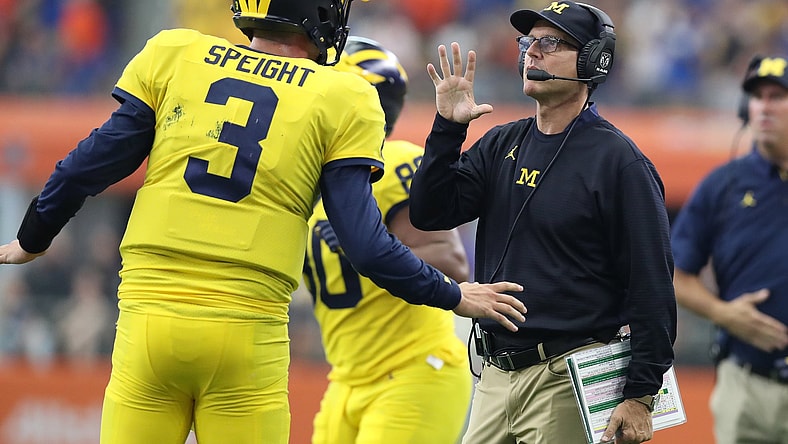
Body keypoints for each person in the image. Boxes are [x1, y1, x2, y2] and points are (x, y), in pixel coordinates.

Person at [0, 1, 527, 443]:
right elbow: (366, 246)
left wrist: (32, 238)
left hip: (148, 321)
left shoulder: (175, 52)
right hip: (247, 332)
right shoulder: (343, 95)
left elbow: (86, 166)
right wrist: (458, 298)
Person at [407, 2, 677, 444]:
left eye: (550, 42)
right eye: (528, 42)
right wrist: (447, 129)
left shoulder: (619, 162)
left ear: (593, 60)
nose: (532, 53)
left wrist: (642, 393)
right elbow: (431, 213)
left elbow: (651, 284)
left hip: (569, 374)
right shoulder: (501, 142)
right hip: (494, 373)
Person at [303, 36, 473, 444]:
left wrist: (363, 245)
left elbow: (452, 262)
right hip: (346, 377)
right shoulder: (315, 177)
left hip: (411, 369)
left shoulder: (393, 161)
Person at [671, 54, 788, 444]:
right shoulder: (723, 185)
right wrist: (724, 314)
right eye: (756, 97)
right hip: (747, 385)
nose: (764, 106)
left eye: (777, 95)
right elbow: (674, 274)